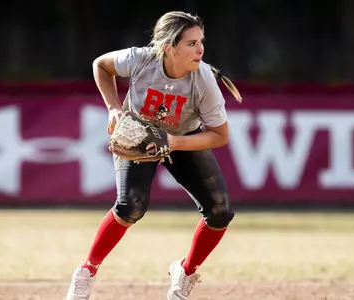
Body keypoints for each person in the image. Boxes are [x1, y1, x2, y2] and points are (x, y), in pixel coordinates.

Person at [66, 10, 242, 300]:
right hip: (138, 134)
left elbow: (220, 135)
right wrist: (113, 107)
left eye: (201, 42)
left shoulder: (204, 80)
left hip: (182, 136)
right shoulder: (142, 58)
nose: (200, 49)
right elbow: (101, 66)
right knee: (130, 207)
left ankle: (185, 272)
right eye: (191, 43)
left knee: (220, 211)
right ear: (168, 47)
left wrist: (172, 142)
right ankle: (86, 271)